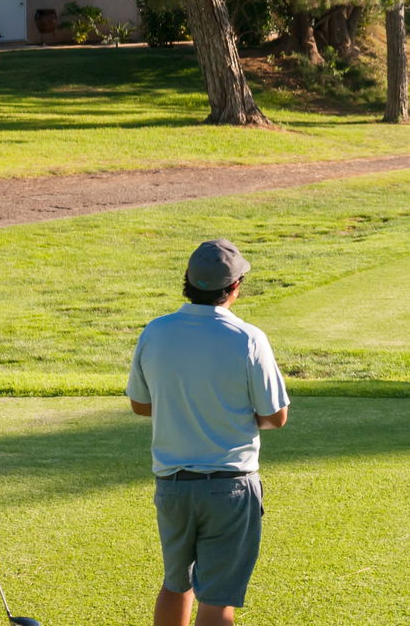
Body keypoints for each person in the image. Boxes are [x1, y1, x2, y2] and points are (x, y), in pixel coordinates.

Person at [127, 239, 290, 626]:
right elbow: (276, 415)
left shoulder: (156, 331)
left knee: (175, 584)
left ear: (187, 280)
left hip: (173, 485)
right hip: (230, 486)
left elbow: (140, 404)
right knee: (216, 601)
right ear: (235, 288)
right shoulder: (248, 338)